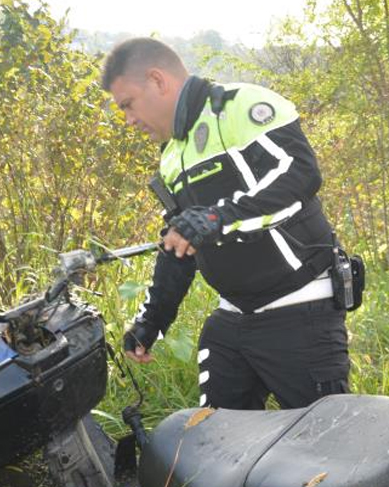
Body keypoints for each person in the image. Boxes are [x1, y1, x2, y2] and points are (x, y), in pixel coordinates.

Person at [101, 38, 349, 410]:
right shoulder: (171, 157)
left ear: (157, 80)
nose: (129, 120)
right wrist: (151, 322)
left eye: (128, 104)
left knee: (325, 440)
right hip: (233, 318)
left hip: (301, 309)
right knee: (215, 437)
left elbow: (300, 175)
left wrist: (216, 218)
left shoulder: (240, 106)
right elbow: (181, 242)